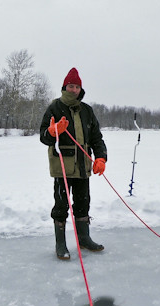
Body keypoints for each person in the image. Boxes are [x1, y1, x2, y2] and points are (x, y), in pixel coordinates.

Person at [40, 68, 108, 260]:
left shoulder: (87, 110)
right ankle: (60, 244)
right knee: (61, 205)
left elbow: (96, 138)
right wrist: (52, 131)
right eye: (71, 86)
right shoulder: (54, 107)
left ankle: (84, 238)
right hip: (62, 167)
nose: (74, 90)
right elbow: (43, 137)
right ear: (64, 87)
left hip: (83, 167)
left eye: (77, 87)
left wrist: (101, 157)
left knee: (83, 203)